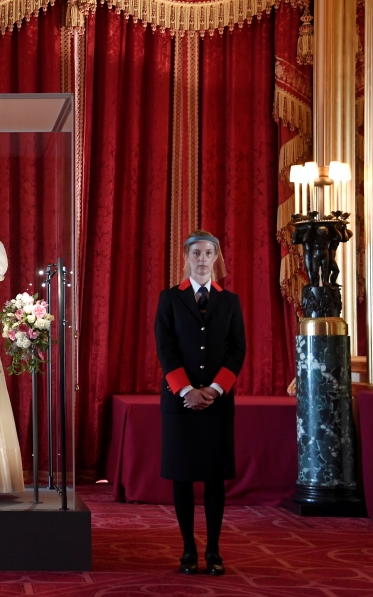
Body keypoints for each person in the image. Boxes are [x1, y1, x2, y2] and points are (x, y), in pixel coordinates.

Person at [154, 230, 246, 576]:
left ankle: (214, 551)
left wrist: (216, 390)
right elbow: (166, 349)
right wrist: (187, 390)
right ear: (186, 258)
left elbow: (237, 351)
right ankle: (188, 551)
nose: (203, 259)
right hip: (180, 403)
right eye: (197, 254)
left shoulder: (229, 301)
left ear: (217, 257)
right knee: (182, 477)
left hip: (217, 404)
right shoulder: (170, 299)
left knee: (213, 478)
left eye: (209, 253)